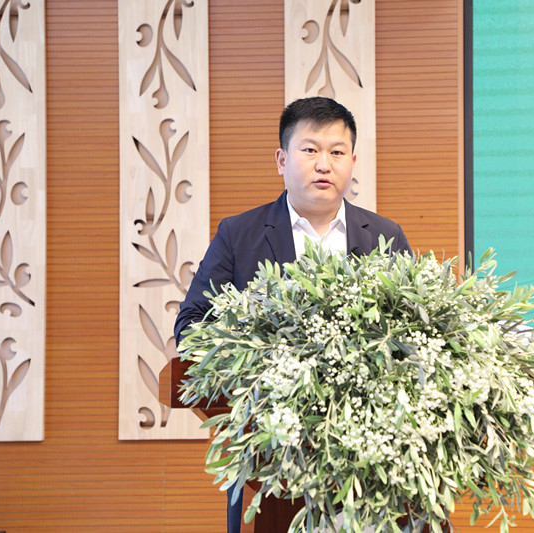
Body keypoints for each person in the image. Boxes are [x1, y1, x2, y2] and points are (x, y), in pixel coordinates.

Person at [174, 96, 411, 533]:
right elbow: (192, 325)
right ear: (282, 160)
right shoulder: (239, 234)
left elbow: (412, 335)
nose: (324, 164)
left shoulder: (384, 236)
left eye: (337, 152)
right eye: (310, 150)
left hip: (370, 466)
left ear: (352, 161)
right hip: (272, 456)